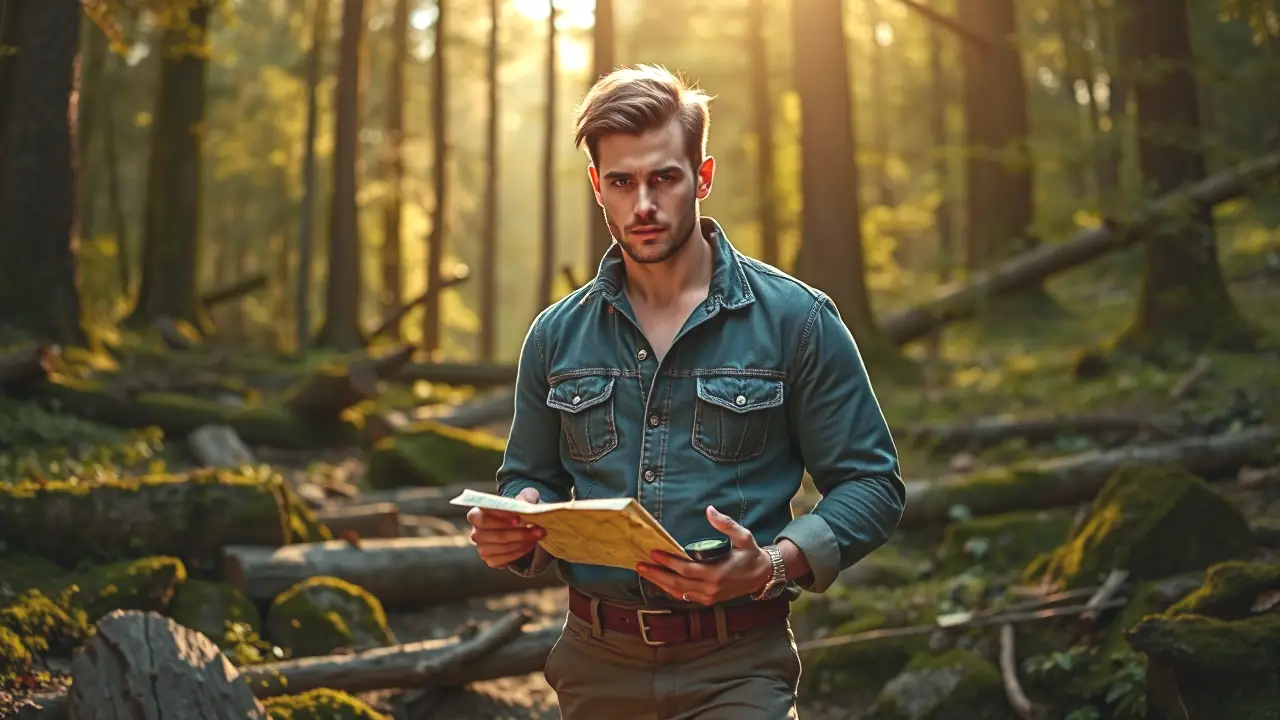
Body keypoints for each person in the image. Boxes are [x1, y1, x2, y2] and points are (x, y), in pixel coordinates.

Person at [465, 64, 905, 719]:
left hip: (739, 667)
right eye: (621, 181)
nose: (643, 204)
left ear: (701, 177)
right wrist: (514, 532)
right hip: (594, 665)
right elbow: (530, 481)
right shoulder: (556, 336)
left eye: (663, 178)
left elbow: (874, 484)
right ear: (597, 187)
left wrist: (775, 564)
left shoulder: (798, 320)